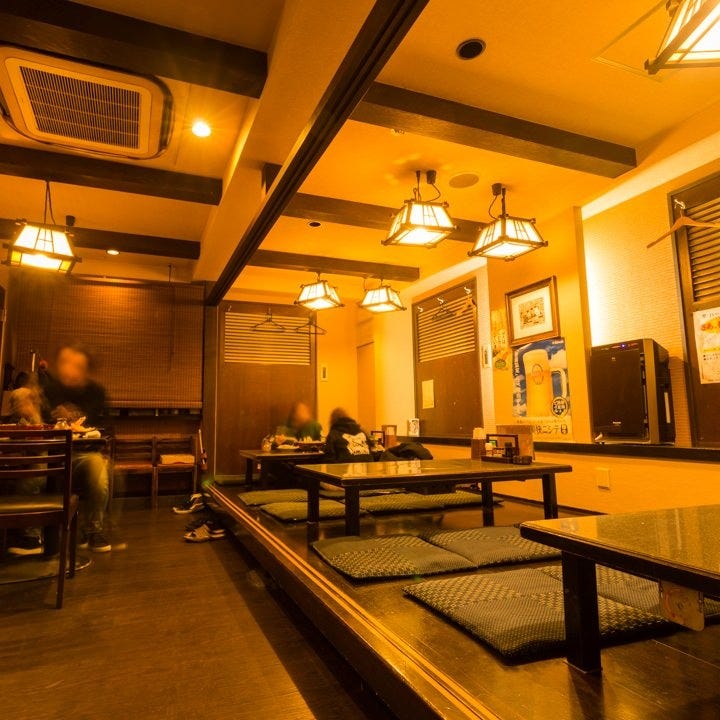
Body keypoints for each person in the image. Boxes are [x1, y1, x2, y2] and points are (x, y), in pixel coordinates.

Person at [40, 344, 113, 553]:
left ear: (86, 369)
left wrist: (88, 431)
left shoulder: (96, 392)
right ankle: (31, 535)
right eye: (66, 363)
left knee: (100, 475)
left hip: (84, 452)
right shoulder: (50, 389)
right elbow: (39, 421)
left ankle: (93, 530)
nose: (70, 369)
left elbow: (104, 426)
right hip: (51, 453)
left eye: (77, 365)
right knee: (33, 473)